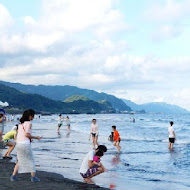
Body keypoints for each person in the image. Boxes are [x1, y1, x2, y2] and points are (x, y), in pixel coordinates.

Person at [11, 109, 42, 182]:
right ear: (30, 116)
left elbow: (18, 134)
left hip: (19, 144)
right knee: (31, 160)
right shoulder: (28, 123)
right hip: (25, 144)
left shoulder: (20, 124)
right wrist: (36, 137)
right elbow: (27, 134)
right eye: (33, 116)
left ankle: (13, 176)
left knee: (19, 160)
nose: (33, 117)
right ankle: (33, 177)